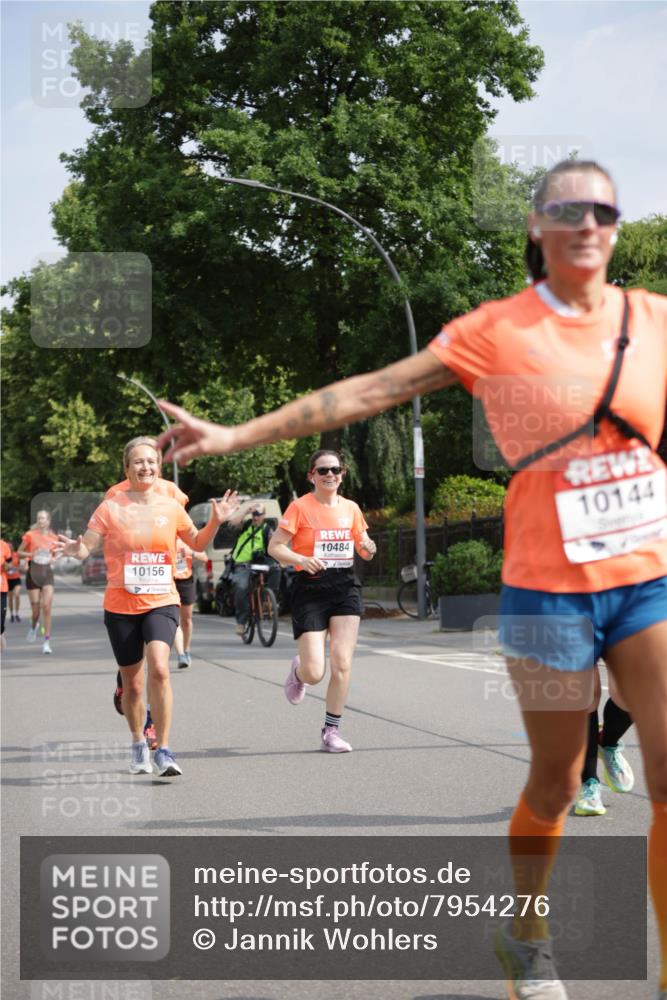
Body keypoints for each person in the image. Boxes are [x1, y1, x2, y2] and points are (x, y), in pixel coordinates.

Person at [158, 159, 667, 999]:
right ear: (536, 229)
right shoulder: (494, 330)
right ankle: (527, 934)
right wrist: (236, 434)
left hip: (647, 577)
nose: (587, 222)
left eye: (603, 209)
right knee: (556, 778)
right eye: (566, 208)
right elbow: (365, 393)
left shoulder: (654, 322)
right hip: (547, 589)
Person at [57, 436, 239, 778]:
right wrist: (74, 550)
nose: (146, 467)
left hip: (161, 600)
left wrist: (216, 520)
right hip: (121, 604)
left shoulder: (171, 507)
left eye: (152, 461)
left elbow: (197, 542)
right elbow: (87, 549)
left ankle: (165, 749)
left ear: (158, 466)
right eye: (138, 462)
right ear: (127, 469)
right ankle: (138, 742)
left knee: (159, 667)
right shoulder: (110, 507)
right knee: (133, 684)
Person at [266, 450, 376, 752]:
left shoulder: (351, 508)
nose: (330, 475)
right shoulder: (300, 507)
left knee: (342, 663)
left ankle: (331, 731)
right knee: (316, 672)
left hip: (344, 586)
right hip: (310, 588)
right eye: (323, 470)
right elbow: (275, 547)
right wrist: (301, 558)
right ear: (311, 476)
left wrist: (368, 545)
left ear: (342, 474)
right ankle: (299, 672)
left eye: (336, 469)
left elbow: (365, 549)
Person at [228, 503, 278, 636]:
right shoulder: (246, 526)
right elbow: (232, 524)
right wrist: (245, 512)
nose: (256, 518)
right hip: (243, 563)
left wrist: (280, 560)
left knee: (277, 570)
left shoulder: (268, 529)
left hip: (260, 563)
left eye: (258, 515)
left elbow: (275, 546)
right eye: (254, 515)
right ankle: (241, 621)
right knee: (241, 587)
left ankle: (268, 600)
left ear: (264, 516)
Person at [18, 510, 59, 654]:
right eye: (38, 518)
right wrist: (31, 554)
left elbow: (55, 554)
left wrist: (54, 558)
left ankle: (46, 642)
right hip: (33, 572)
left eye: (43, 518)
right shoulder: (30, 535)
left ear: (48, 521)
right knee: (36, 611)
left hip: (47, 572)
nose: (40, 520)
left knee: (47, 607)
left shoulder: (54, 537)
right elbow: (19, 552)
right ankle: (34, 626)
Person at [173, 540, 205, 667]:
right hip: (168, 581)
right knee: (174, 618)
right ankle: (181, 655)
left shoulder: (187, 539)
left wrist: (190, 552)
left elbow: (204, 558)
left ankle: (186, 650)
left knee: (186, 620)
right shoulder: (162, 536)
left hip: (186, 581)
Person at [6, 542, 22, 623]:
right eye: (8, 547)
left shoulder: (16, 555)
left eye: (11, 547)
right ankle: (12, 614)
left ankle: (17, 613)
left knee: (17, 595)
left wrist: (18, 568)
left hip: (16, 578)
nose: (10, 548)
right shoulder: (4, 556)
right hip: (8, 579)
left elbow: (19, 565)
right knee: (10, 598)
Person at [0, 537, 12, 648]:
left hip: (1, 587)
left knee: (1, 618)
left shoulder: (4, 545)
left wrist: (6, 566)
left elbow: (9, 565)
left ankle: (1, 632)